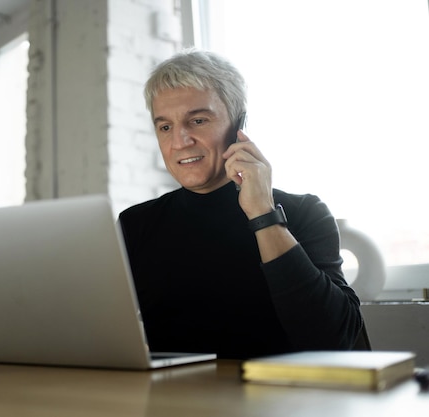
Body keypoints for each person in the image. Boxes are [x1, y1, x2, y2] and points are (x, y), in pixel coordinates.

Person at [118, 49, 366, 359]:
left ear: (239, 124)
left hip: (280, 401)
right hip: (174, 402)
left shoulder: (304, 213)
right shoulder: (135, 225)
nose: (179, 141)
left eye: (197, 120)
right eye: (165, 127)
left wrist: (263, 214)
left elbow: (332, 339)